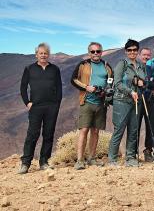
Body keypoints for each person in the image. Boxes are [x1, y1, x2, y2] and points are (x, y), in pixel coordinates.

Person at [18, 43, 62, 174]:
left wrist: (57, 104)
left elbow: (59, 87)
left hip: (51, 106)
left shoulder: (55, 69)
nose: (43, 55)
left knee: (48, 134)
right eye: (41, 53)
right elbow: (23, 87)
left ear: (48, 55)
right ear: (36, 54)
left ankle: (44, 162)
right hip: (36, 106)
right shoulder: (29, 68)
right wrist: (27, 102)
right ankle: (25, 163)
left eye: (45, 53)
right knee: (32, 134)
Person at [71, 42, 113, 170]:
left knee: (95, 131)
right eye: (93, 51)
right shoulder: (83, 65)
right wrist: (86, 87)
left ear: (101, 52)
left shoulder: (107, 66)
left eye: (98, 51)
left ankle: (92, 158)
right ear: (89, 53)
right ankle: (79, 160)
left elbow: (111, 81)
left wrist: (107, 91)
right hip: (87, 102)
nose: (96, 54)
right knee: (84, 130)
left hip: (101, 103)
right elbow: (73, 79)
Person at [108, 39, 146, 167]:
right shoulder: (122, 64)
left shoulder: (141, 66)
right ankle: (112, 159)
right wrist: (130, 91)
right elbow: (117, 83)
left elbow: (144, 81)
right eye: (129, 50)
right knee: (119, 129)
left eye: (135, 50)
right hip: (122, 101)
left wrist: (142, 83)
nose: (132, 52)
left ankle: (130, 157)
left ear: (138, 51)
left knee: (133, 130)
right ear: (126, 51)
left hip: (137, 101)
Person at [137, 47, 154, 162]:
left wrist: (146, 83)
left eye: (148, 55)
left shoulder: (152, 68)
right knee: (136, 126)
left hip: (150, 100)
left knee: (150, 126)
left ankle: (148, 151)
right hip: (138, 100)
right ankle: (133, 152)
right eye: (144, 55)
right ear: (140, 55)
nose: (146, 57)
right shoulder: (136, 67)